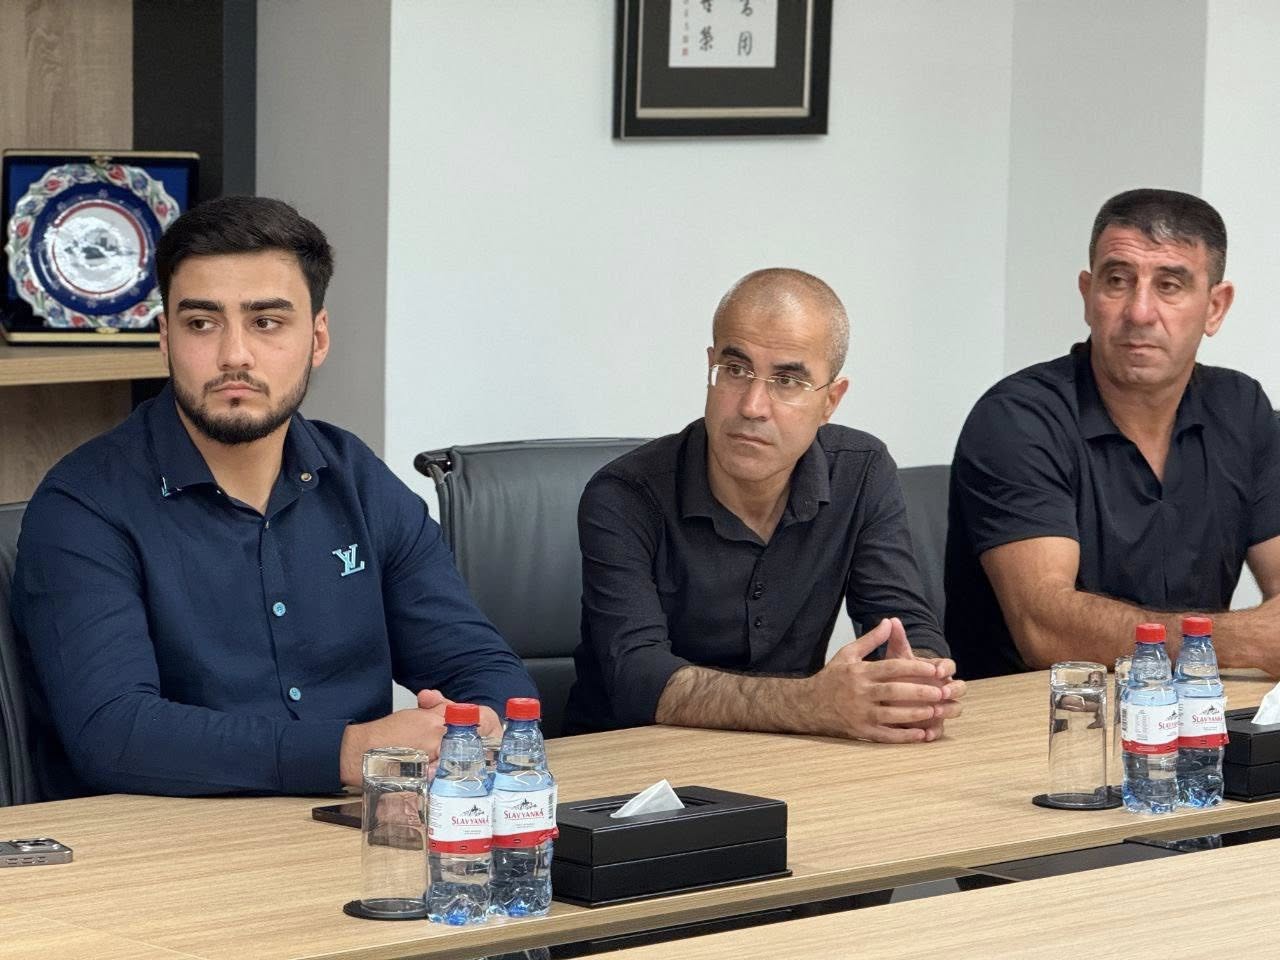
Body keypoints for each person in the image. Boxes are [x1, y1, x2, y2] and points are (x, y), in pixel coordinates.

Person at [13, 196, 536, 798]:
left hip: (359, 829)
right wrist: (348, 753)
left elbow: (482, 667)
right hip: (160, 841)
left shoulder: (357, 479)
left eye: (266, 322)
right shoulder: (83, 504)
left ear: (317, 338)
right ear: (164, 338)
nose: (234, 354)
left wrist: (474, 729)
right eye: (201, 323)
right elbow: (113, 734)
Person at [565, 268, 965, 742]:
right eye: (735, 371)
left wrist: (916, 679)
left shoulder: (861, 471)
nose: (752, 405)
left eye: (787, 380)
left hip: (788, 750)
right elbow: (637, 678)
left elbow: (902, 620)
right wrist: (811, 703)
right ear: (710, 368)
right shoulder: (624, 495)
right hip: (634, 758)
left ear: (831, 401)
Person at [946, 188, 1280, 679]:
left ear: (1216, 306)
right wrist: (1238, 639)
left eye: (1169, 285)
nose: (1140, 312)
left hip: (1192, 706)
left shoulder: (1241, 408)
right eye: (1118, 281)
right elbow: (1046, 630)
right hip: (1039, 711)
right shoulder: (1016, 418)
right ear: (1087, 295)